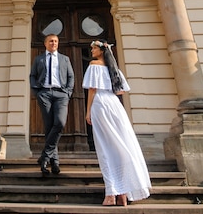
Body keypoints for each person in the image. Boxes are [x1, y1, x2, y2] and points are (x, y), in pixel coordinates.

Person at [83, 40, 151, 206]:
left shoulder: (94, 65)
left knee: (105, 148)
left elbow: (92, 89)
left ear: (101, 50)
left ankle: (111, 193)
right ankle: (124, 193)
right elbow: (120, 90)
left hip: (100, 104)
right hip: (115, 105)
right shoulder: (114, 68)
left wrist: (88, 111)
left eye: (93, 48)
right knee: (122, 145)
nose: (91, 50)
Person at [30, 33, 75, 175]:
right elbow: (33, 75)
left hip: (61, 94)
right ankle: (54, 162)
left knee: (60, 123)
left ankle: (45, 156)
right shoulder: (39, 59)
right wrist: (37, 92)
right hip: (45, 94)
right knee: (49, 127)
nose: (53, 43)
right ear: (45, 44)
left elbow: (71, 76)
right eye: (51, 41)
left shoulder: (65, 59)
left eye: (55, 41)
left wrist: (68, 92)